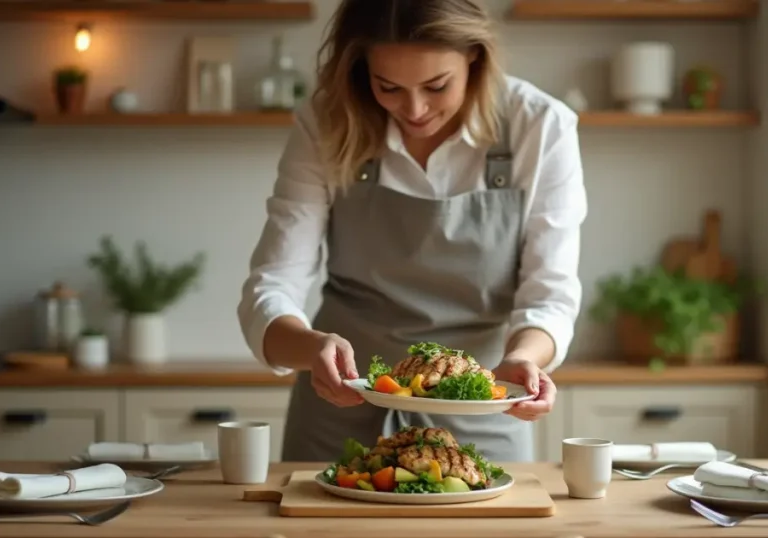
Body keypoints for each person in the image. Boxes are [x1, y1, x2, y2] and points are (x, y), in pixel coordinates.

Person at [238, 0, 586, 463]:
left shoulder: (539, 126)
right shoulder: (327, 121)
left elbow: (550, 294)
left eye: (436, 86)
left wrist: (525, 358)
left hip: (483, 407)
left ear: (474, 60)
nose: (415, 109)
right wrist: (310, 348)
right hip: (344, 402)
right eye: (389, 87)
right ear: (362, 73)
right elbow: (272, 284)